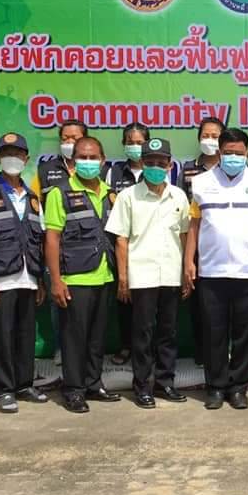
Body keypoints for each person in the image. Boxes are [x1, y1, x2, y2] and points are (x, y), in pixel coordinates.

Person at [184, 128, 248, 410]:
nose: (233, 157)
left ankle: (238, 387)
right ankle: (215, 387)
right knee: (214, 333)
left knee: (245, 334)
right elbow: (194, 225)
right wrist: (189, 261)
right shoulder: (201, 182)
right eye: (228, 153)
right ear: (219, 152)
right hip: (211, 271)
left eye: (239, 153)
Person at [106, 137, 190, 409]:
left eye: (161, 162)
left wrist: (187, 271)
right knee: (141, 334)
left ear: (170, 164)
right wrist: (123, 277)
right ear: (142, 163)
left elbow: (185, 235)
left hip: (171, 273)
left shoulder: (178, 196)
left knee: (168, 332)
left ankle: (165, 383)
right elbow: (121, 239)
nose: (155, 166)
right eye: (150, 162)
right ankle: (142, 386)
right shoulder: (128, 196)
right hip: (141, 276)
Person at [0, 133, 48, 414]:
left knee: (26, 334)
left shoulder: (33, 198)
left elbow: (38, 240)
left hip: (29, 277)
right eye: (6, 154)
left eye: (17, 154)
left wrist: (40, 280)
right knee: (2, 335)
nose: (12, 158)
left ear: (26, 159)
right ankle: (4, 389)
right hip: (0, 278)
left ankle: (24, 384)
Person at [44, 136, 121, 413]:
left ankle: (93, 383)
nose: (88, 162)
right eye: (82, 158)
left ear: (103, 161)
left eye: (93, 158)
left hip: (105, 276)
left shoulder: (111, 194)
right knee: (74, 338)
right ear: (73, 162)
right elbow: (52, 238)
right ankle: (74, 390)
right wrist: (56, 280)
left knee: (97, 337)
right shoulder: (59, 193)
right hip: (75, 278)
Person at [31, 118, 87, 366]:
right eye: (65, 138)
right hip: (56, 246)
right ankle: (62, 348)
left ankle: (88, 350)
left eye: (75, 138)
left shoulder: (96, 168)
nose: (69, 142)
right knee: (59, 301)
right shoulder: (45, 170)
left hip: (88, 247)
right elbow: (34, 207)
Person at [178, 116, 225, 365]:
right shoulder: (188, 169)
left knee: (223, 301)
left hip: (222, 243)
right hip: (195, 242)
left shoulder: (232, 167)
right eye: (205, 135)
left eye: (215, 136)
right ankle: (202, 351)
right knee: (199, 302)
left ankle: (223, 352)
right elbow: (181, 206)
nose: (210, 140)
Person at [102, 123, 151, 365]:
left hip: (149, 243)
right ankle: (126, 345)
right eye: (130, 142)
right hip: (121, 243)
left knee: (150, 301)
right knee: (124, 297)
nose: (135, 147)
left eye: (140, 142)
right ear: (123, 145)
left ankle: (148, 348)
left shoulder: (156, 170)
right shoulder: (113, 172)